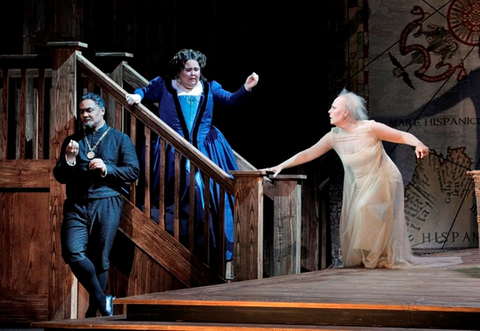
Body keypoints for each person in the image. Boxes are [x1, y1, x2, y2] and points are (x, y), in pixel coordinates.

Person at [263, 88, 462, 269]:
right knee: (359, 215)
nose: (329, 111)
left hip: (384, 177)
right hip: (363, 183)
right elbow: (307, 154)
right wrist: (280, 165)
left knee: (363, 208)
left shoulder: (370, 128)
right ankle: (378, 256)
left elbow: (401, 136)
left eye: (334, 108)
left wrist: (418, 143)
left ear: (346, 112)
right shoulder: (334, 136)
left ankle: (376, 257)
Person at [125, 48, 259, 261]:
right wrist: (136, 96)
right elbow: (144, 91)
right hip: (172, 149)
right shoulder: (165, 85)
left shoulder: (209, 87)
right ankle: (188, 242)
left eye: (197, 69)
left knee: (210, 192)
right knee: (185, 188)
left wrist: (246, 88)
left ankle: (212, 245)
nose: (193, 74)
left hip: (207, 148)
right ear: (179, 70)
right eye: (189, 70)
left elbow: (231, 100)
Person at [53, 93, 140, 317]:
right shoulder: (73, 141)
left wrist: (107, 168)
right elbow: (60, 176)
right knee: (72, 251)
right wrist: (70, 160)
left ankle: (93, 310)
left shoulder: (119, 139)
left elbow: (133, 171)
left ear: (102, 111)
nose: (85, 115)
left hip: (107, 202)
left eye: (89, 110)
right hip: (77, 205)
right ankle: (102, 299)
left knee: (101, 258)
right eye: (82, 111)